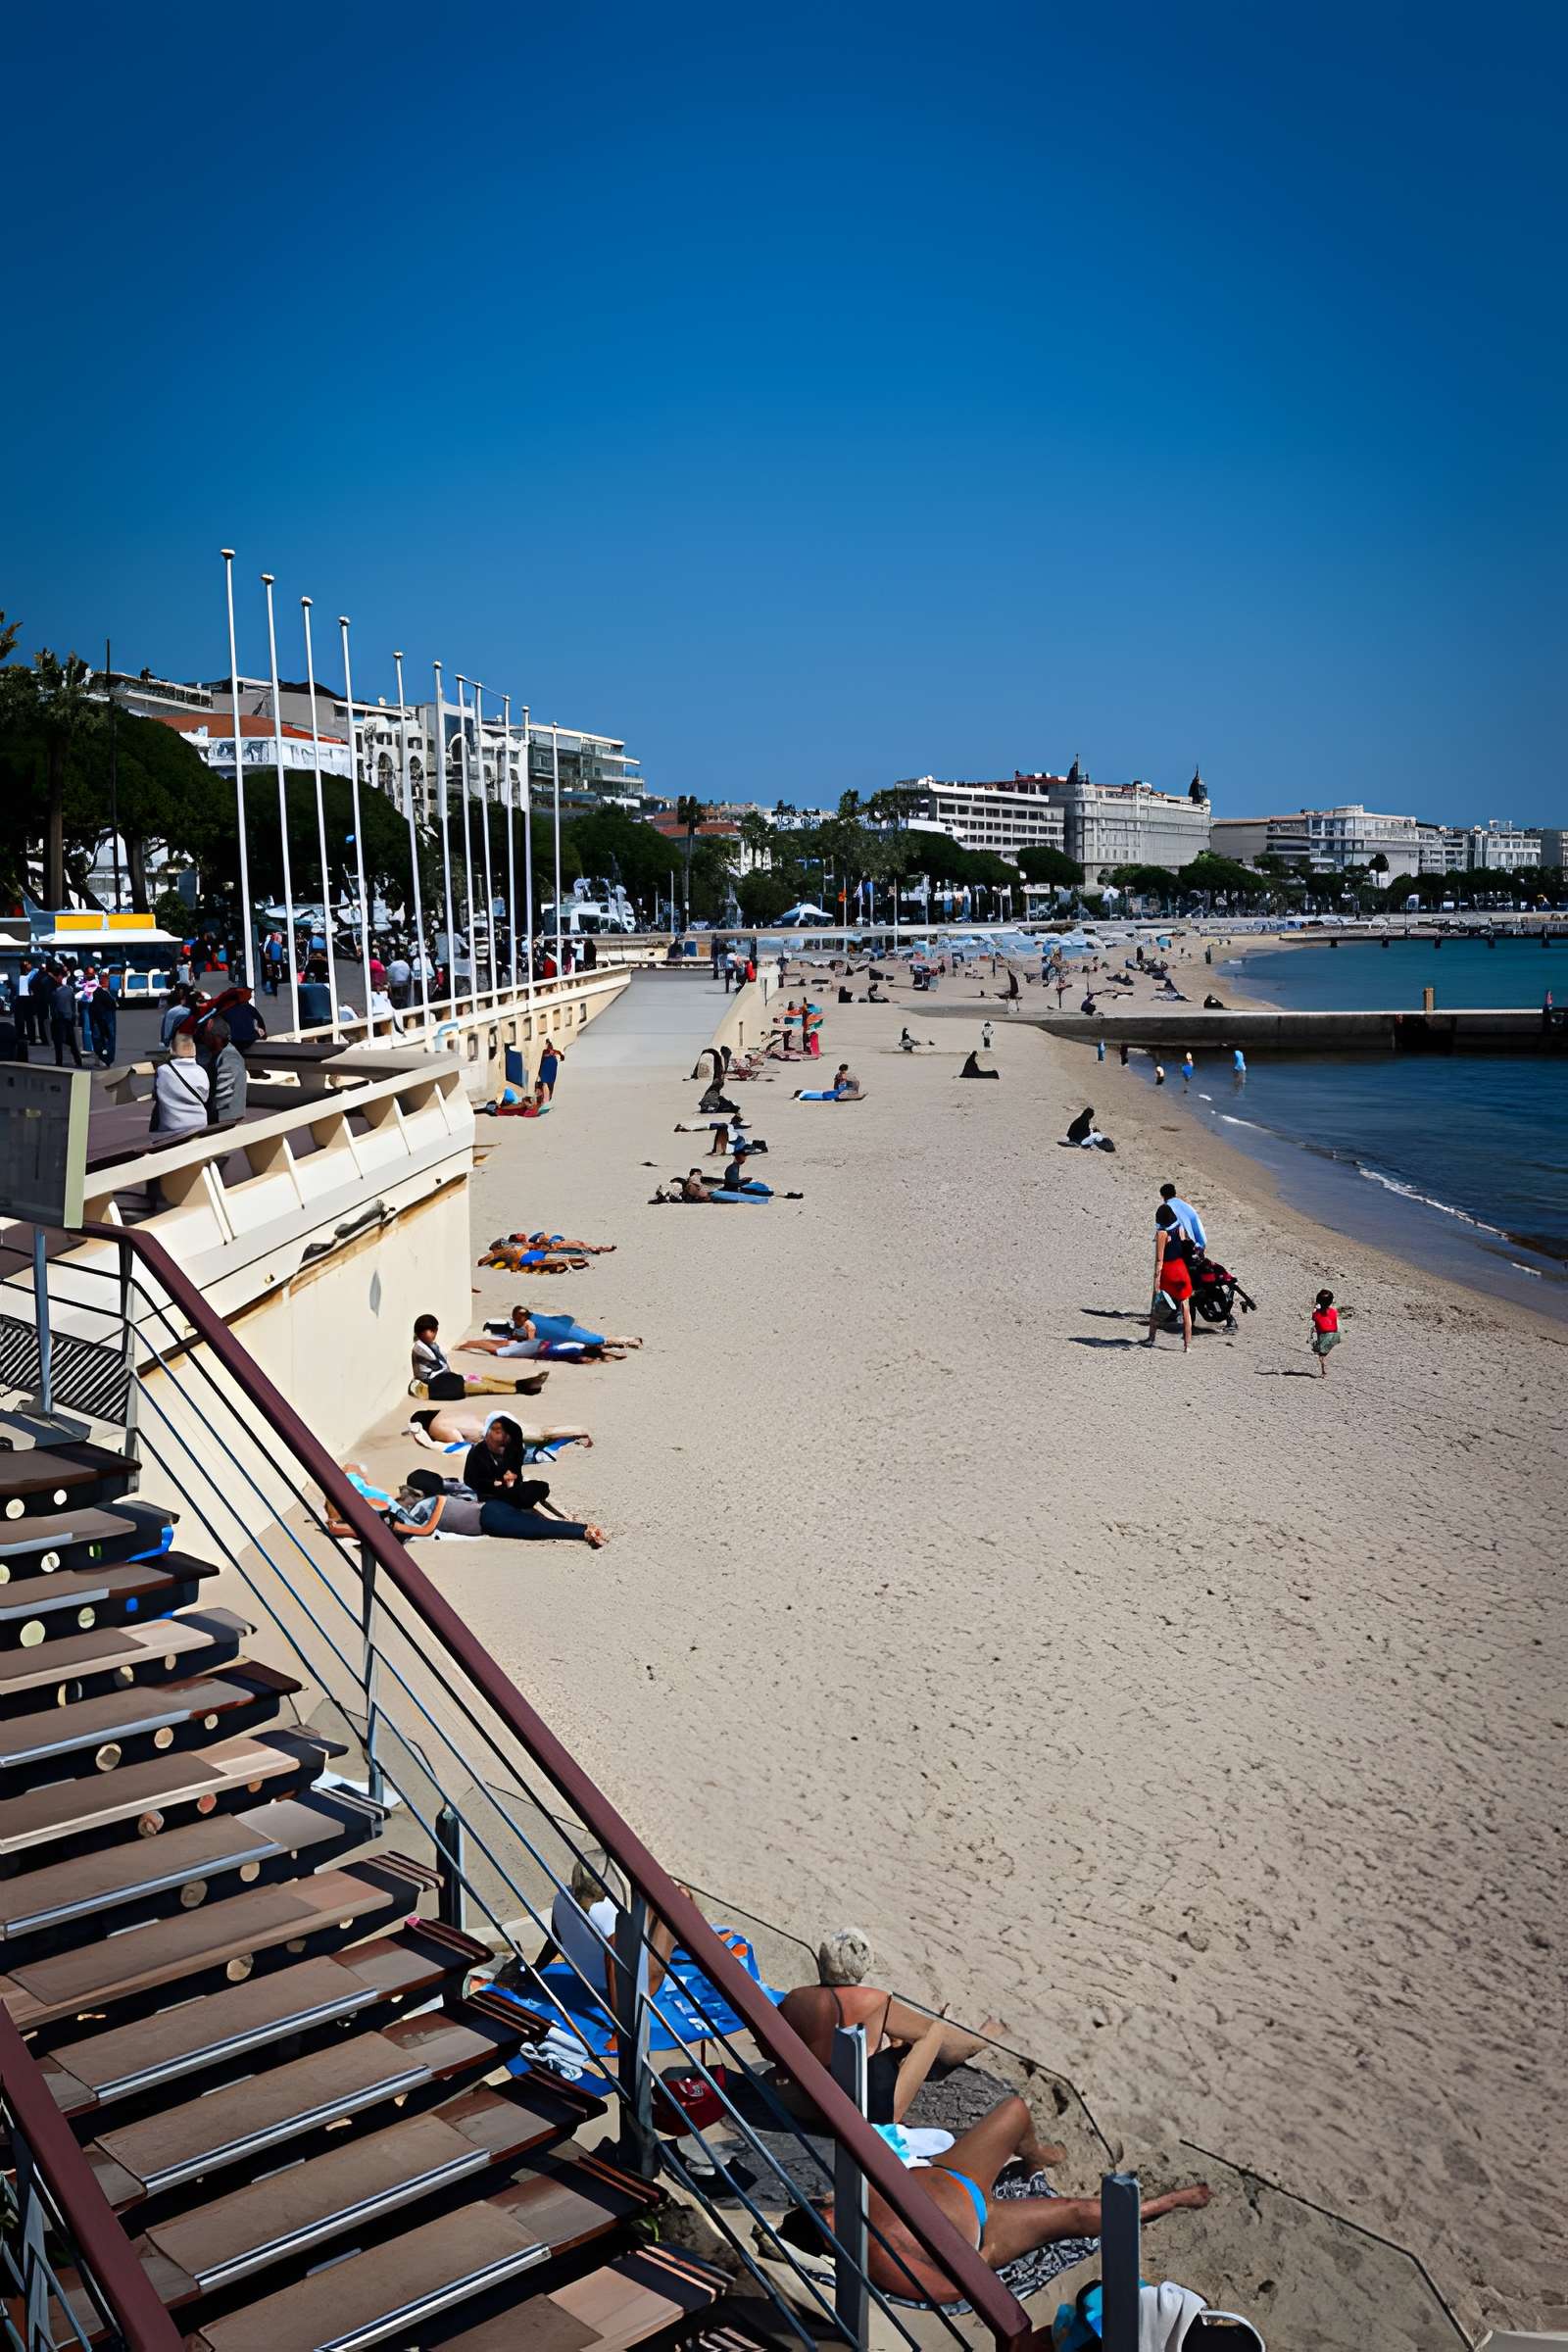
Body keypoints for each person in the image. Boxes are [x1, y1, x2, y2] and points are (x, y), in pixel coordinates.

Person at [819, 2093, 1209, 2305]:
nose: (829, 2212)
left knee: (1015, 2109)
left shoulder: (852, 2196)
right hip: (985, 2224)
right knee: (1079, 2213)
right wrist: (984, 2258)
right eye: (828, 2221)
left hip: (949, 2171)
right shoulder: (876, 2252)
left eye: (825, 2210)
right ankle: (1160, 2205)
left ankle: (1035, 2156)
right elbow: (945, 2291)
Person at [771, 1929, 1003, 2130]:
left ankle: (940, 2038)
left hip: (797, 2102)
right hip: (850, 2111)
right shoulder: (872, 1999)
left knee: (895, 2038)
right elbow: (927, 2033)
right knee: (934, 2032)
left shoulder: (795, 1997)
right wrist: (938, 2026)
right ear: (865, 1964)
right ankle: (978, 2040)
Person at [360, 1467, 607, 1546]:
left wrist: (392, 1525)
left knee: (532, 1529)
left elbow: (416, 1529)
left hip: (488, 1518)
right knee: (531, 1525)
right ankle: (580, 1528)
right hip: (489, 1510)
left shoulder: (428, 1505)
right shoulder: (446, 1494)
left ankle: (582, 1531)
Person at [410, 1313, 549, 1398]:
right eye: (428, 1331)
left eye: (433, 1331)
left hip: (446, 1379)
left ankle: (519, 1384)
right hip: (437, 1383)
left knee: (483, 1379)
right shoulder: (420, 1347)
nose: (431, 1334)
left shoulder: (432, 1345)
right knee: (483, 1387)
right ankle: (519, 1388)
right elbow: (435, 1359)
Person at [1145, 1203, 1194, 1352]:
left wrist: (1156, 1280)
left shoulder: (1162, 1233)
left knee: (1157, 1304)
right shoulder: (1180, 1228)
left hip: (1168, 1269)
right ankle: (1187, 1345)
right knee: (1186, 1308)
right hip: (1181, 1269)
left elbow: (1160, 1260)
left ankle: (1151, 1339)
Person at [151, 1029, 211, 1133]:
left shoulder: (163, 1071)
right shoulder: (202, 1071)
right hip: (200, 1124)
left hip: (171, 1127)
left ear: (172, 1050)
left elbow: (156, 1095)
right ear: (194, 1049)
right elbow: (205, 1098)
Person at [201, 1016, 248, 1124]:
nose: (204, 1039)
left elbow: (224, 1099)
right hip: (222, 1117)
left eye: (206, 1035)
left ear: (216, 1038)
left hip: (224, 1119)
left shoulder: (229, 1059)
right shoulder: (220, 1055)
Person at [46, 968, 82, 1068]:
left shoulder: (54, 993)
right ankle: (78, 1060)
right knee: (72, 1042)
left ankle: (59, 1062)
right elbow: (73, 1005)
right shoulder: (69, 991)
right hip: (69, 1019)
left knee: (58, 1043)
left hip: (59, 1020)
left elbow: (53, 1008)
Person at [1158, 1182, 1206, 1252]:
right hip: (1200, 1244)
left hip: (1187, 1247)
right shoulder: (1187, 1206)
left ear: (1163, 1196)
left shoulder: (1167, 1208)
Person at [88, 968, 119, 1066]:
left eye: (106, 977)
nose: (105, 979)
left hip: (105, 1018)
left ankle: (107, 1059)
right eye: (103, 977)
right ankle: (104, 1058)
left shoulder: (109, 992)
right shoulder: (99, 991)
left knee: (107, 1039)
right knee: (102, 1039)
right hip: (101, 1018)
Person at [1310, 1288, 1341, 1376]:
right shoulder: (1333, 1311)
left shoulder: (1316, 1314)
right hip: (1335, 1334)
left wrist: (1316, 1307)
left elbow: (1314, 1318)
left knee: (1321, 1355)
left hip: (1324, 1336)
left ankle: (1324, 1371)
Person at [795, 1063, 861, 1102]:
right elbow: (841, 1083)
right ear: (845, 1069)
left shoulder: (838, 1075)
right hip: (840, 1090)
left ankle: (801, 1093)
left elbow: (836, 1083)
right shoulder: (843, 1076)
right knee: (826, 1095)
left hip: (838, 1089)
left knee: (826, 1094)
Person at [537, 1036, 562, 1101]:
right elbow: (560, 1055)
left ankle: (546, 1097)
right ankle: (547, 1097)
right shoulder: (550, 1052)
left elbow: (560, 1055)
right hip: (549, 1065)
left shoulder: (547, 1052)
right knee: (547, 1083)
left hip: (548, 1066)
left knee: (546, 1082)